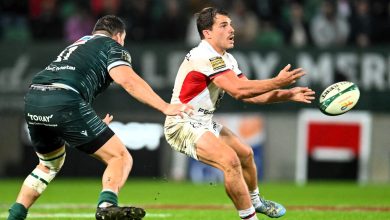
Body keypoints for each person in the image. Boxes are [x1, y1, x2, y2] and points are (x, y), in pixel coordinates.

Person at [7, 15, 192, 220]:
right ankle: (107, 206)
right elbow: (127, 79)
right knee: (120, 157)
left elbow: (70, 83)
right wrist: (164, 106)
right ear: (119, 36)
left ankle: (15, 215)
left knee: (49, 164)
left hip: (34, 98)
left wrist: (83, 122)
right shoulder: (112, 46)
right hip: (63, 100)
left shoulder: (79, 44)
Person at [164, 7, 315, 220]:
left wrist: (286, 94)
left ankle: (255, 201)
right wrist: (276, 82)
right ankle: (249, 217)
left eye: (231, 24)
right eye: (224, 25)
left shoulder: (226, 59)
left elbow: (248, 95)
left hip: (203, 122)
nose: (232, 30)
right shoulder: (204, 55)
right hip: (181, 123)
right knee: (230, 161)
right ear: (207, 33)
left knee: (246, 153)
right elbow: (238, 89)